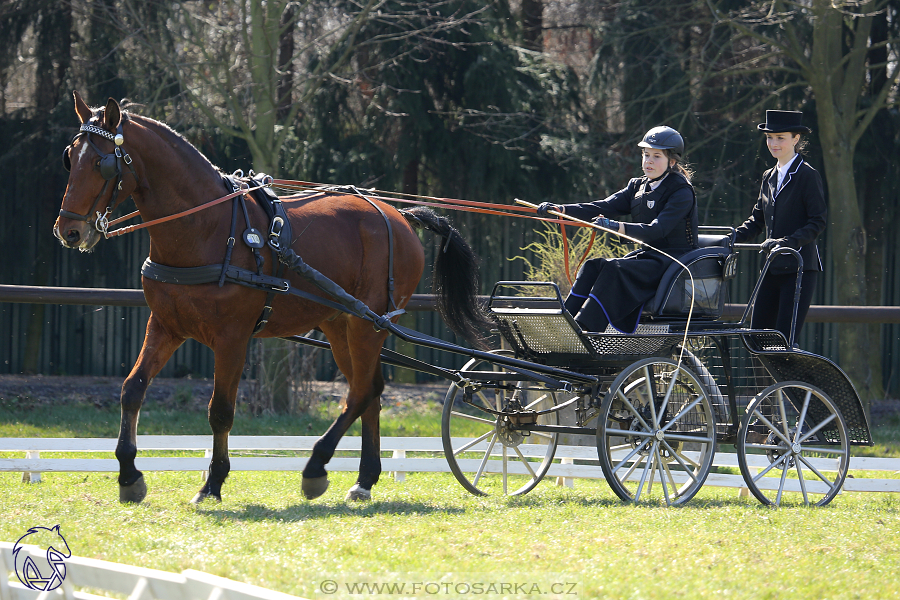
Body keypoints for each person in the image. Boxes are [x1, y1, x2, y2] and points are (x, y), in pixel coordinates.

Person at [536, 126, 698, 332]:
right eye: (646, 155)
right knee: (593, 266)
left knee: (614, 269)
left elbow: (656, 230)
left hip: (674, 263)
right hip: (650, 258)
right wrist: (560, 210)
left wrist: (616, 226)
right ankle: (563, 323)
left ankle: (586, 328)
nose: (648, 161)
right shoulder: (637, 186)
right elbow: (603, 206)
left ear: (672, 162)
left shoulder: (681, 191)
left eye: (656, 156)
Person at [733, 110, 826, 346]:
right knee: (757, 339)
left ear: (796, 139)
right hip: (772, 267)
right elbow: (757, 220)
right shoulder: (768, 176)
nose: (773, 143)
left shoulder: (807, 175)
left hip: (799, 268)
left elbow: (817, 221)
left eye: (780, 138)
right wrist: (729, 238)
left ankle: (793, 384)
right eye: (769, 138)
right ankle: (765, 385)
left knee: (783, 342)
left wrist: (788, 243)